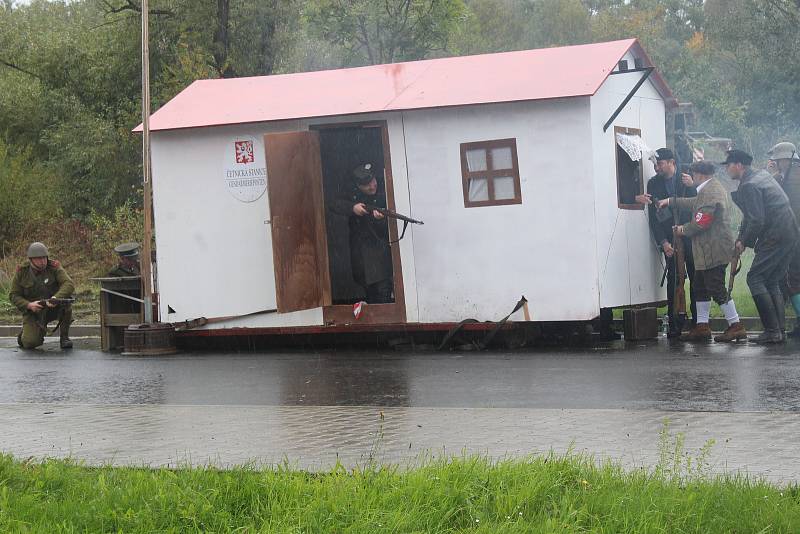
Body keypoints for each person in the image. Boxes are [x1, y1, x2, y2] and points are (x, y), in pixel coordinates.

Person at [656, 161, 746, 342]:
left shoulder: (711, 191)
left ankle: (735, 325)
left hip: (714, 249)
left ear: (699, 175)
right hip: (707, 250)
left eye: (693, 173)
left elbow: (702, 222)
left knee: (716, 288)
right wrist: (670, 201)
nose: (691, 176)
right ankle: (702, 326)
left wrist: (682, 229)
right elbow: (694, 203)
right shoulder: (708, 188)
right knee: (699, 287)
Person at [725, 149, 799, 343]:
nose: (726, 168)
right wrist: (742, 238)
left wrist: (743, 241)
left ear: (739, 165)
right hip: (789, 232)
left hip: (776, 234)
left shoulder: (749, 185)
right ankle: (778, 331)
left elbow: (756, 220)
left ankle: (772, 331)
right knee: (773, 279)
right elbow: (751, 216)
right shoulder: (761, 175)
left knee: (755, 278)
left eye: (729, 164)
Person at [635, 147, 697, 337]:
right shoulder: (653, 184)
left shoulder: (686, 179)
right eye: (655, 164)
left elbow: (700, 201)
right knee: (674, 280)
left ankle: (698, 322)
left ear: (672, 163)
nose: (656, 168)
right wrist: (663, 242)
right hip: (670, 238)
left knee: (696, 279)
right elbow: (655, 217)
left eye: (660, 164)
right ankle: (674, 322)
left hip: (691, 235)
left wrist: (693, 185)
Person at [330, 163, 394, 304]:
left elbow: (391, 227)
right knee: (369, 291)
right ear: (358, 185)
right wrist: (352, 207)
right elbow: (333, 204)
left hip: (381, 250)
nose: (372, 186)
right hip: (361, 253)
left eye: (373, 181)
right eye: (367, 184)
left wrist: (379, 220)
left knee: (383, 291)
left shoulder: (385, 191)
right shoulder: (351, 193)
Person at [9, 242, 75, 349]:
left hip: (52, 307)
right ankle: (24, 334)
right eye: (39, 259)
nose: (43, 261)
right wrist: (29, 305)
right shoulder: (22, 272)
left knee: (66, 304)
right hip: (34, 312)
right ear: (31, 260)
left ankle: (64, 338)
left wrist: (55, 298)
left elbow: (68, 283)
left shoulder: (54, 267)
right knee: (30, 343)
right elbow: (14, 295)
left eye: (44, 258)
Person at [767, 142, 800, 337]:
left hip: (795, 236)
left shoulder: (793, 178)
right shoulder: (791, 174)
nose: (776, 163)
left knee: (793, 278)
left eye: (777, 160)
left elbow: (790, 209)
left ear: (784, 159)